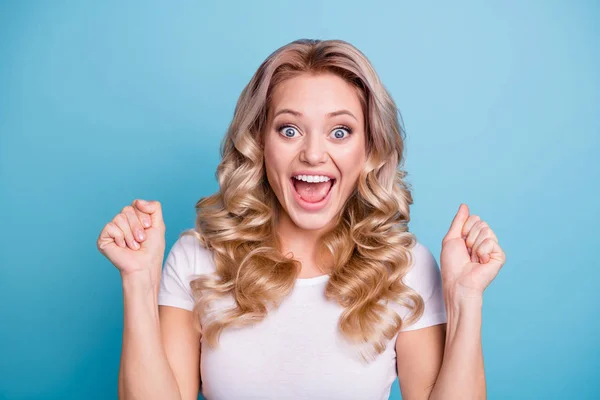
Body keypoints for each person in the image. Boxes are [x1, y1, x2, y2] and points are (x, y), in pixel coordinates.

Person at [97, 38, 506, 400]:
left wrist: (466, 300)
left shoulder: (405, 265)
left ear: (369, 148)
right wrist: (138, 281)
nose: (312, 153)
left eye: (340, 132)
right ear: (259, 143)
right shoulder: (197, 258)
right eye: (289, 130)